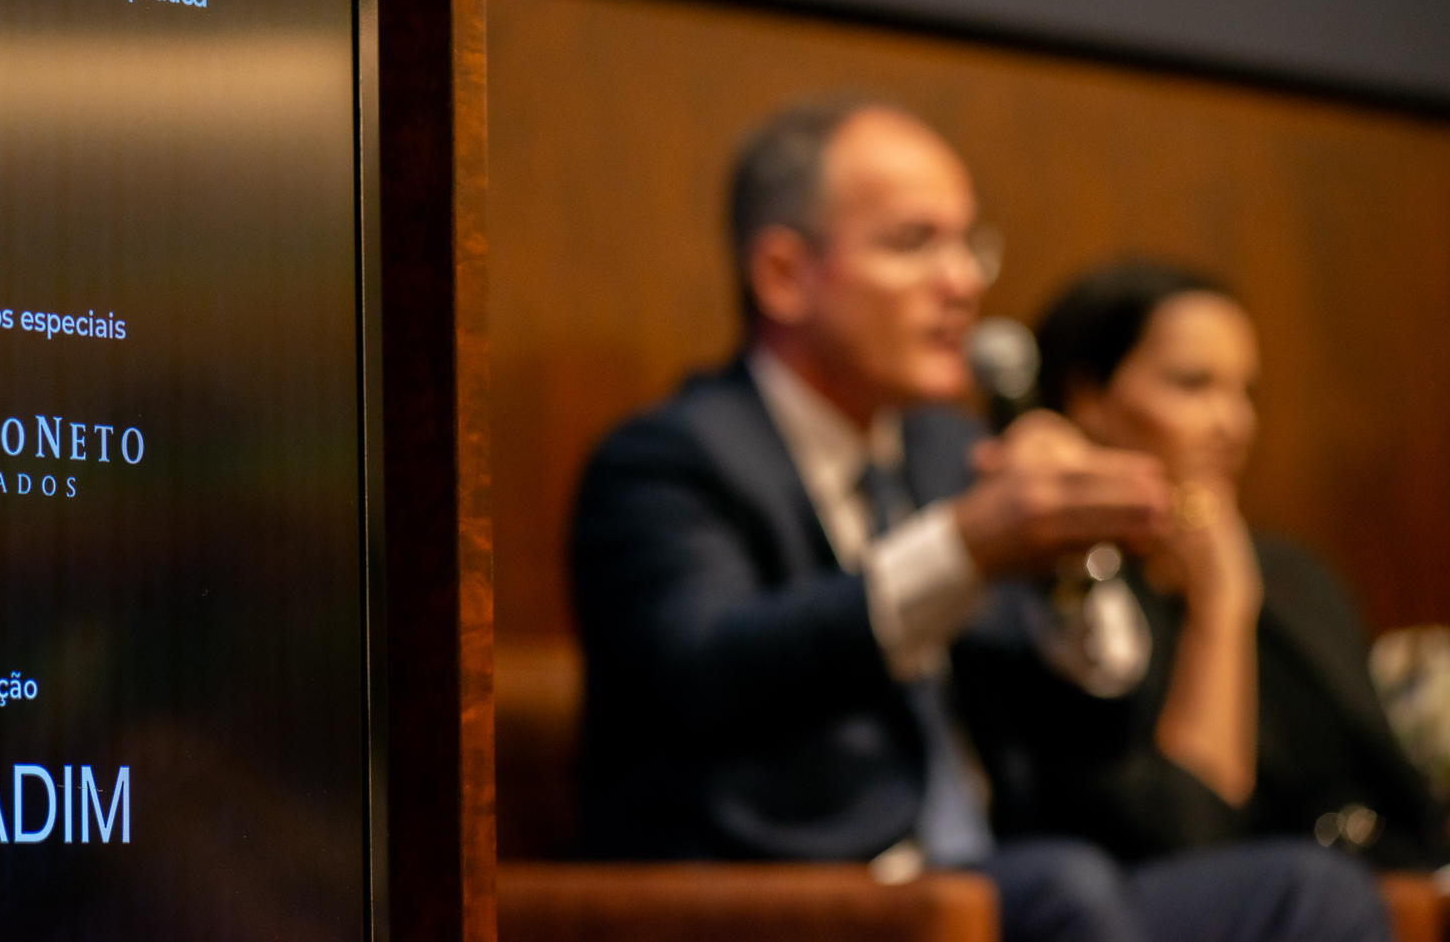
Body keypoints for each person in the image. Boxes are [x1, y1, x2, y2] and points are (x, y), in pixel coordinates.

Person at [572, 100, 1392, 942]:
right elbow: (709, 672)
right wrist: (965, 548)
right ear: (784, 274)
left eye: (969, 245)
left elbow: (1090, 740)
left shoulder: (947, 449)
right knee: (1058, 886)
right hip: (792, 892)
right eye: (913, 243)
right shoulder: (668, 460)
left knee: (1309, 888)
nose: (963, 281)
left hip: (1002, 876)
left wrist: (1076, 570)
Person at [1014, 259, 1448, 870]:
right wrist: (1220, 605)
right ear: (1087, 399)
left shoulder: (1295, 574)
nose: (1235, 425)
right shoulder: (1066, 594)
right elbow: (1190, 835)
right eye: (1193, 385)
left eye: (1245, 392)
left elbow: (1403, 799)